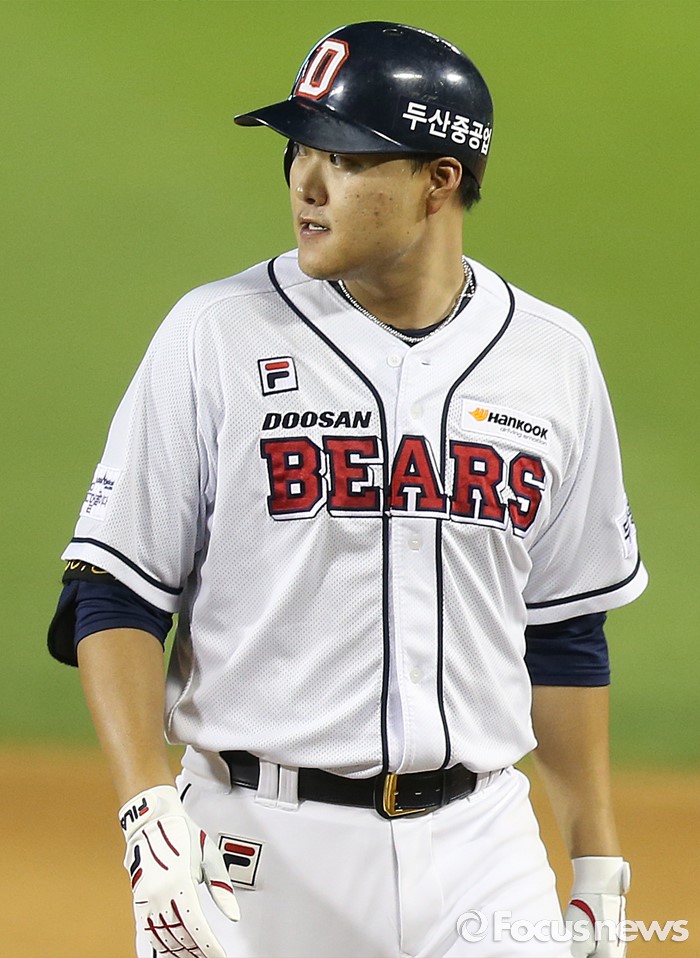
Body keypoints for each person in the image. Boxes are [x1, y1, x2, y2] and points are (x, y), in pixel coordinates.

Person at [48, 20, 647, 958]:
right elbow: (114, 593)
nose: (307, 183)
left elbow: (565, 629)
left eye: (347, 159)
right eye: (300, 151)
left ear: (439, 179)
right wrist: (146, 807)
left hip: (484, 849)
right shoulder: (215, 334)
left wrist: (597, 858)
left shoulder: (552, 357)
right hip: (255, 847)